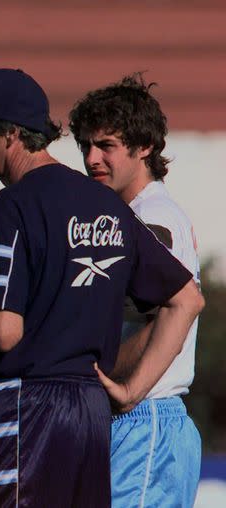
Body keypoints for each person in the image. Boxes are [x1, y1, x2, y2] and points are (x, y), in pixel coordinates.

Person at [0, 68, 204, 507]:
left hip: (24, 408)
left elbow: (3, 331)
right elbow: (186, 299)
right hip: (90, 417)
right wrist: (123, 391)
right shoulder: (108, 206)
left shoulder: (8, 208)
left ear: (10, 132)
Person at [69, 74, 202, 507]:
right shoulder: (130, 214)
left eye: (105, 145)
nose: (91, 159)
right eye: (85, 146)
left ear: (144, 146)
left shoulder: (151, 219)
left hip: (146, 419)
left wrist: (94, 374)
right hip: (140, 421)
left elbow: (171, 311)